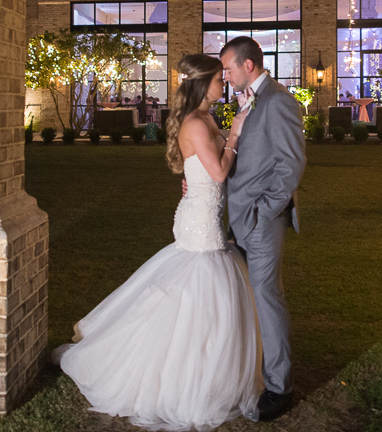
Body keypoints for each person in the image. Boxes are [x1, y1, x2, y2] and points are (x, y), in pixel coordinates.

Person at [53, 54, 262, 431]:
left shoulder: (205, 118)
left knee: (201, 291)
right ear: (204, 84)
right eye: (219, 78)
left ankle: (203, 366)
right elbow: (216, 171)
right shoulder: (198, 122)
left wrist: (228, 137)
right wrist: (236, 132)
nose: (224, 83)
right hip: (200, 219)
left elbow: (206, 168)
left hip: (202, 210)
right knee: (202, 285)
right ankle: (178, 374)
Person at [219, 36, 306, 422]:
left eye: (228, 68)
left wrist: (262, 212)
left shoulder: (279, 101)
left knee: (267, 296)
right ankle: (260, 368)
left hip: (260, 221)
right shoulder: (251, 99)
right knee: (255, 297)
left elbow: (291, 166)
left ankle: (279, 388)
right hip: (242, 217)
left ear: (248, 66)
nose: (225, 76)